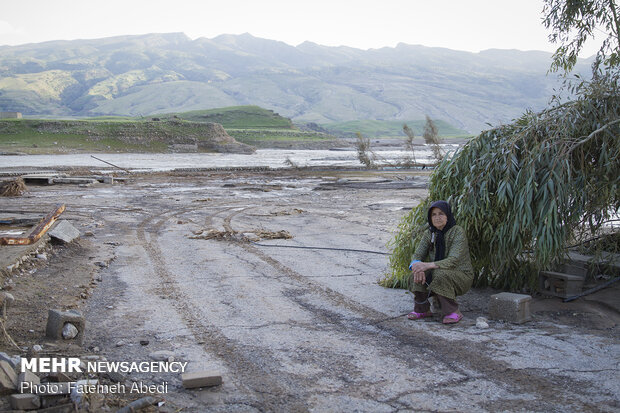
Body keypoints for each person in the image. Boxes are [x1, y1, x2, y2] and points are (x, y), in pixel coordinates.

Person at [407, 200, 473, 324]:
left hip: (461, 276)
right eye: (434, 214)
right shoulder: (430, 233)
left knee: (439, 274)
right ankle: (422, 309)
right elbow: (417, 254)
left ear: (448, 215)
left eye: (441, 213)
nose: (437, 218)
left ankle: (453, 312)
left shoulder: (457, 232)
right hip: (438, 270)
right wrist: (415, 266)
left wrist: (426, 265)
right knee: (415, 274)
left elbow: (453, 261)